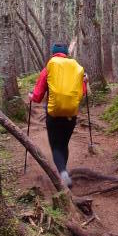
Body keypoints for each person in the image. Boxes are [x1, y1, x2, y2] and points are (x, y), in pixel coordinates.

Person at [29, 43, 87, 188]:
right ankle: (64, 171)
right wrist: (85, 82)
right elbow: (82, 92)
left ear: (53, 53)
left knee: (55, 145)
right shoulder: (75, 68)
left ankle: (62, 172)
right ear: (66, 54)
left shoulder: (49, 68)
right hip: (70, 115)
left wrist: (31, 96)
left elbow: (37, 97)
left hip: (53, 115)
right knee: (63, 144)